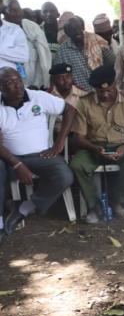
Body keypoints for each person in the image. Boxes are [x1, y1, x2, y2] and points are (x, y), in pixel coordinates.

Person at [0, 68, 75, 241]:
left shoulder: (37, 96)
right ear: (1, 87)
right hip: (8, 158)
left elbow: (69, 110)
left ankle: (25, 208)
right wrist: (17, 165)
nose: (18, 86)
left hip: (41, 156)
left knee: (64, 176)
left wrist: (59, 142)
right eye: (10, 83)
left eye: (18, 80)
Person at [70, 66, 124, 223]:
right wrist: (95, 148)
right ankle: (94, 206)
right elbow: (79, 137)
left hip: (122, 146)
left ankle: (117, 202)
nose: (104, 94)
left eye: (109, 90)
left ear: (115, 83)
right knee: (77, 164)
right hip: (93, 147)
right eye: (100, 91)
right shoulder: (84, 103)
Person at [2, 0, 50, 88]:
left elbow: (42, 58)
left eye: (18, 9)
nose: (17, 13)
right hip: (10, 86)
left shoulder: (32, 27)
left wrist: (37, 84)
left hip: (36, 83)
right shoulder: (3, 31)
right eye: (12, 10)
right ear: (4, 12)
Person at [0, 0, 28, 72]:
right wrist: (10, 52)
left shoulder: (15, 29)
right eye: (12, 10)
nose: (17, 13)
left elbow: (23, 56)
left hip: (9, 80)